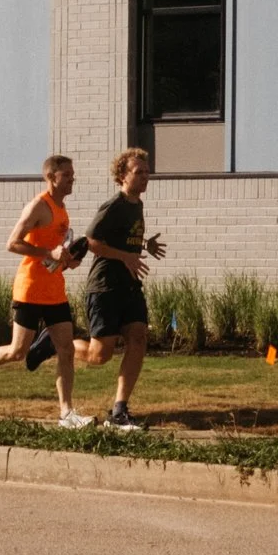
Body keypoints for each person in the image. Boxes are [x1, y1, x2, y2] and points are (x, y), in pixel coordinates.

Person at [0, 155, 89, 426]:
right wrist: (49, 252)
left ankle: (66, 413)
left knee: (66, 350)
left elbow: (53, 251)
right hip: (30, 289)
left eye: (73, 174)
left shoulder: (62, 209)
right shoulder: (38, 206)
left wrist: (67, 260)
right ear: (51, 177)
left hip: (54, 289)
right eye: (67, 175)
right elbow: (12, 243)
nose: (72, 179)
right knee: (17, 351)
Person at [74, 147, 166, 432]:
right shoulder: (113, 205)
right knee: (99, 356)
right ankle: (57, 341)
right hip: (104, 288)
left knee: (138, 339)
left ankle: (119, 410)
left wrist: (143, 245)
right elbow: (91, 241)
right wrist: (126, 256)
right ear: (122, 176)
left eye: (147, 172)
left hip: (129, 286)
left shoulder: (136, 205)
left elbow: (124, 240)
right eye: (139, 173)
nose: (145, 177)